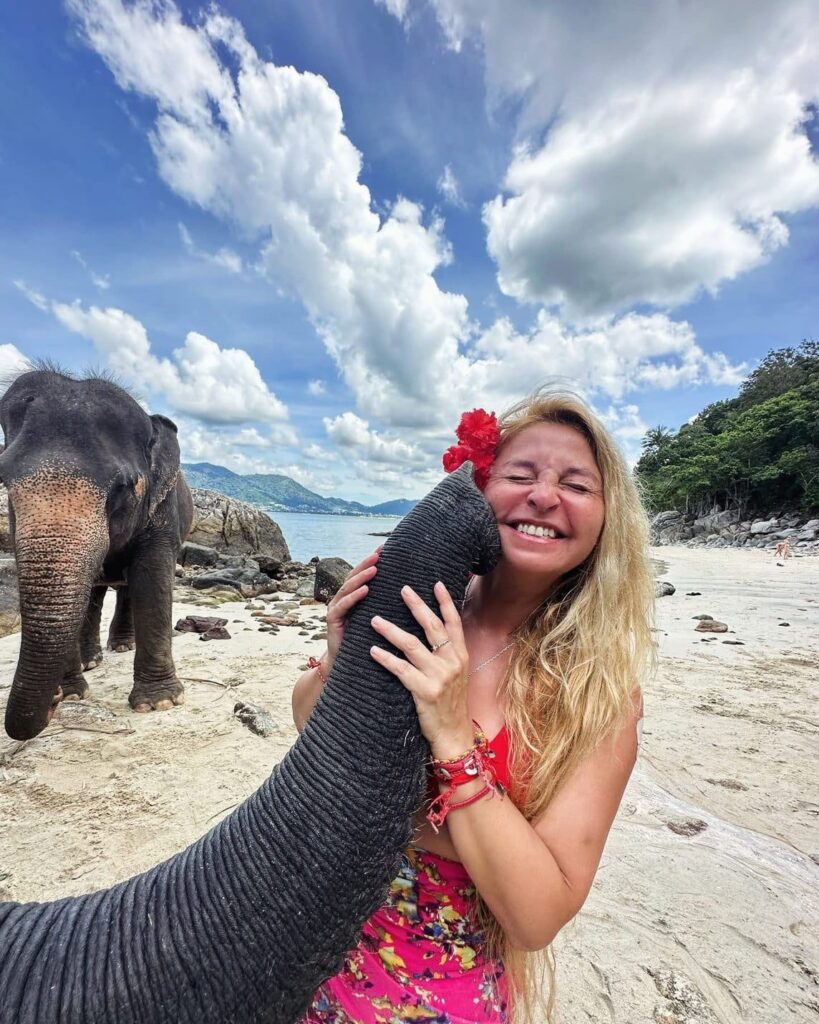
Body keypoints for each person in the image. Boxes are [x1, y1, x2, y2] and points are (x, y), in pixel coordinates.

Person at [293, 388, 654, 1024]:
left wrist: (455, 737)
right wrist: (343, 663)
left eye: (575, 484)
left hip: (438, 998)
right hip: (310, 955)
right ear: (479, 492)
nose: (543, 496)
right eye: (520, 475)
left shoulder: (598, 694)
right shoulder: (425, 613)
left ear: (605, 520)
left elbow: (537, 913)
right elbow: (308, 722)